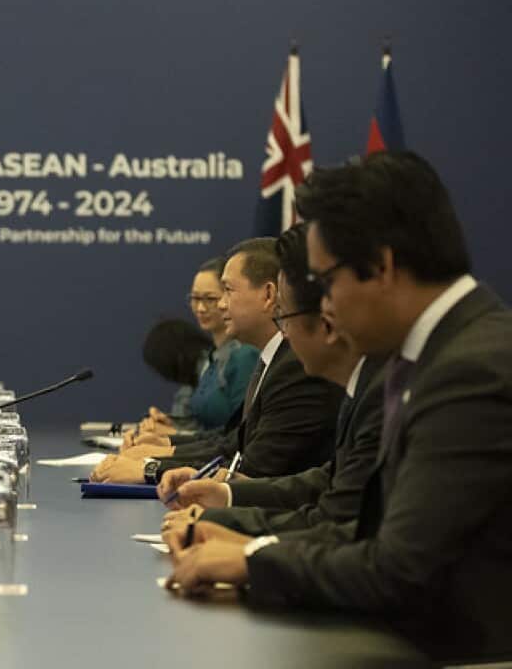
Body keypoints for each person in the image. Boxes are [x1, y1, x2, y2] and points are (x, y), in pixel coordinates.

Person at [164, 152, 512, 662]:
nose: (323, 305)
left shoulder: (470, 371)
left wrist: (253, 560)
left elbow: (399, 570)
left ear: (381, 266)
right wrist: (252, 545)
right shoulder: (440, 351)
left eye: (327, 281)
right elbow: (369, 526)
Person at [158, 223, 386, 537]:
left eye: (285, 318)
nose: (285, 335)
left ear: (329, 319)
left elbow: (334, 517)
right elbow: (328, 482)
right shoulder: (364, 386)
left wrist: (241, 546)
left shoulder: (373, 390)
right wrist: (226, 494)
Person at [93, 238, 343, 483]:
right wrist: (165, 448)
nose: (221, 305)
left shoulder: (294, 367)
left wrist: (151, 468)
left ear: (268, 295)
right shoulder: (271, 360)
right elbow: (232, 442)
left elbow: (252, 468)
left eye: (228, 291)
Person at [140, 258, 260, 436]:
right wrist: (172, 424)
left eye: (210, 299)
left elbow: (241, 433)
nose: (201, 308)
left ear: (227, 298)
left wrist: (174, 435)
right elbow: (204, 425)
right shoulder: (212, 358)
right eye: (195, 298)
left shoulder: (244, 356)